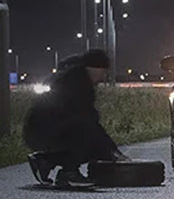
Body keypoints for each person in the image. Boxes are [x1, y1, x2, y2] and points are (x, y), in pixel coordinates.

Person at [24, 49, 129, 189]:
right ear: (92, 69)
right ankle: (69, 173)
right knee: (87, 133)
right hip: (43, 131)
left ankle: (46, 161)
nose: (104, 77)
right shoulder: (76, 84)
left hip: (45, 130)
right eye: (103, 72)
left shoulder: (75, 79)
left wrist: (111, 151)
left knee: (97, 146)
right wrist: (113, 152)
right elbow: (88, 122)